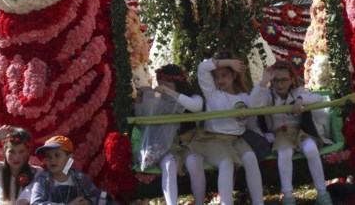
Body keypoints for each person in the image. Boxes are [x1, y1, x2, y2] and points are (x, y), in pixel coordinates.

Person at [250, 62, 333, 205]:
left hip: (300, 132)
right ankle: (288, 196)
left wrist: (300, 100)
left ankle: (322, 194)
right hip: (281, 134)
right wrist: (264, 82)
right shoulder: (268, 95)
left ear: (291, 80)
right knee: (285, 153)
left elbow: (318, 98)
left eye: (284, 80)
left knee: (311, 149)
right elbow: (253, 103)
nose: (279, 84)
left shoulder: (297, 92)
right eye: (275, 80)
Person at [188, 54, 264, 205]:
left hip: (237, 139)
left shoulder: (244, 97)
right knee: (226, 163)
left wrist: (265, 81)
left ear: (234, 75)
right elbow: (203, 68)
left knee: (250, 158)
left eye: (224, 75)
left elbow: (254, 107)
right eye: (216, 77)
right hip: (213, 139)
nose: (220, 80)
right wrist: (228, 62)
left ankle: (258, 202)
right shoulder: (212, 94)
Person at [135, 64, 204, 205]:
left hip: (189, 144)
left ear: (178, 83)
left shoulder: (193, 96)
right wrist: (142, 97)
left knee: (194, 162)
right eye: (161, 85)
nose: (163, 89)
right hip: (165, 147)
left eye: (167, 85)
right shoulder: (157, 98)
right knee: (169, 164)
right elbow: (140, 116)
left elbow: (196, 106)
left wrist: (171, 93)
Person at [31, 136, 102, 205]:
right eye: (48, 156)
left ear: (70, 158)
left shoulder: (79, 177)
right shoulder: (43, 179)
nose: (52, 160)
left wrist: (88, 202)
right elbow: (36, 202)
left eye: (57, 155)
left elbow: (96, 196)